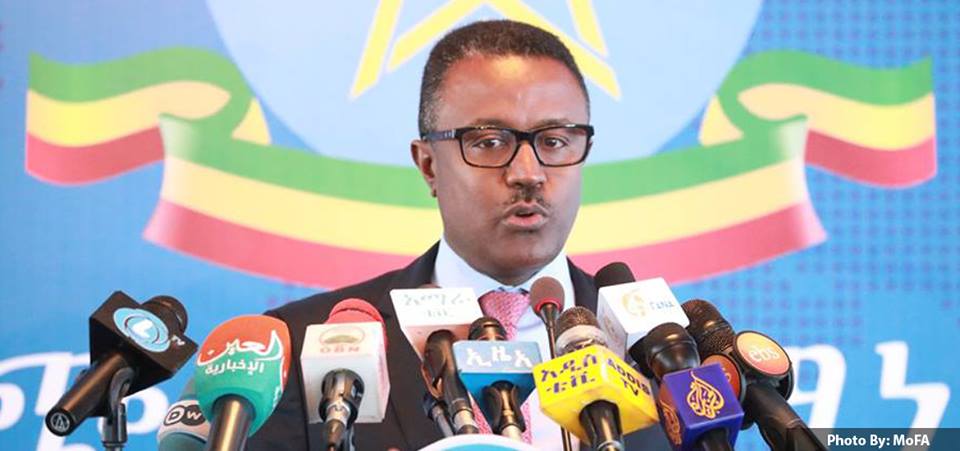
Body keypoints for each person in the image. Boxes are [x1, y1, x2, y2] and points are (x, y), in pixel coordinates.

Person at [246, 20, 667, 450]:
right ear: (428, 165)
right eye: (489, 142)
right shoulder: (301, 348)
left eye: (555, 141)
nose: (528, 173)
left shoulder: (663, 353)